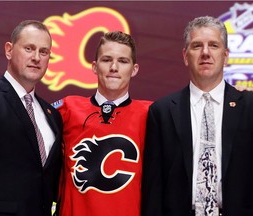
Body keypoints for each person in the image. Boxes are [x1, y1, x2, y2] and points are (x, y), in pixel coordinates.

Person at [141, 15, 253, 216]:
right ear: (185, 56)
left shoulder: (250, 107)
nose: (206, 53)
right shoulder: (162, 111)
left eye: (214, 45)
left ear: (226, 55)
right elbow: (154, 188)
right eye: (197, 46)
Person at [0, 20, 62, 216]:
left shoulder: (52, 115)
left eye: (44, 52)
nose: (36, 57)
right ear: (9, 50)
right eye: (29, 48)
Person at [52, 31, 152, 216]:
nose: (114, 67)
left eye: (123, 61)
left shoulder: (152, 114)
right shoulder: (67, 108)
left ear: (134, 69)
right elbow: (23, 119)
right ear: (94, 66)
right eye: (106, 60)